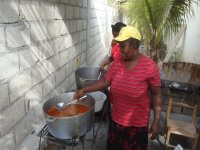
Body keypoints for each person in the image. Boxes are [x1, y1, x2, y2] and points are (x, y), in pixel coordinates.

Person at [73, 26, 162, 150]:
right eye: (119, 46)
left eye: (123, 46)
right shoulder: (118, 62)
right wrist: (84, 90)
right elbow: (105, 81)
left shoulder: (150, 68)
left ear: (134, 45)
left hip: (137, 126)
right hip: (116, 122)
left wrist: (156, 121)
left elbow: (156, 95)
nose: (120, 50)